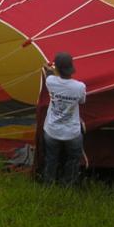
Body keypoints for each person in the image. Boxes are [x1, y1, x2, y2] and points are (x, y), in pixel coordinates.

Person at [42, 52, 86, 186]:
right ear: (71, 67)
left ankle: (48, 183)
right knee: (73, 160)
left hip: (52, 130)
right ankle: (68, 184)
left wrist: (48, 68)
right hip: (72, 133)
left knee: (51, 158)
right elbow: (82, 101)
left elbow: (48, 73)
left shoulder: (50, 81)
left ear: (57, 69)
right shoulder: (79, 87)